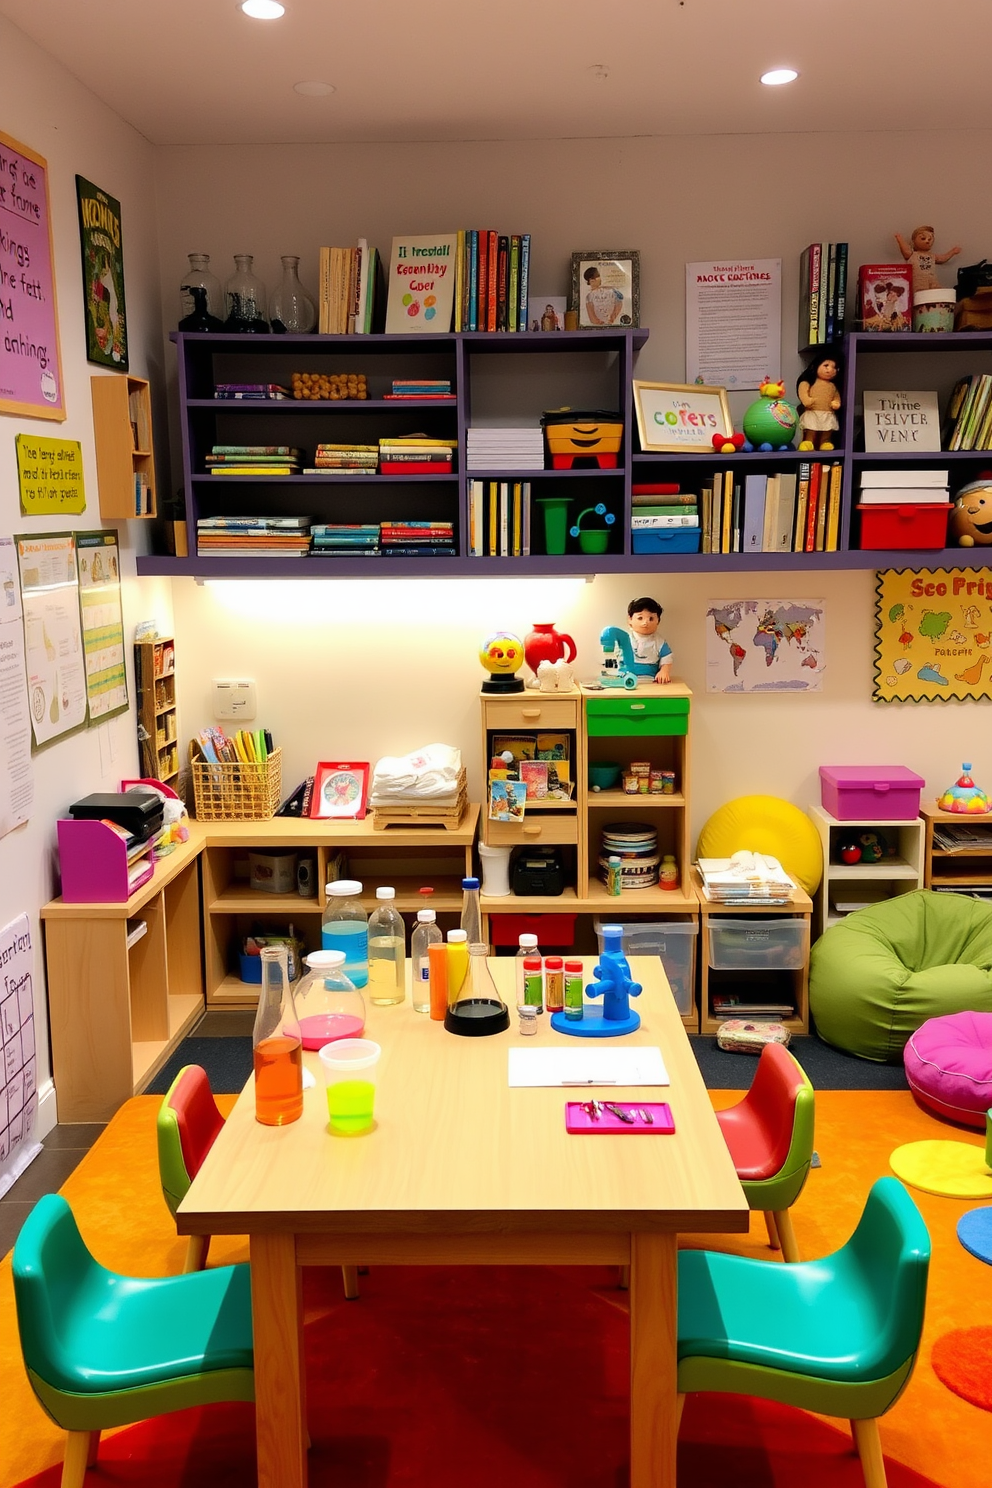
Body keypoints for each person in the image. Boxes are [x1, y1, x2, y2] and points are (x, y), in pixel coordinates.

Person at [894, 225, 961, 294]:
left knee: (937, 293)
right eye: (923, 238)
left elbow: (942, 258)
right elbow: (906, 251)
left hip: (933, 281)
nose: (927, 241)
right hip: (919, 282)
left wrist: (952, 252)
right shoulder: (913, 254)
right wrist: (900, 240)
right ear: (914, 240)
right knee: (920, 295)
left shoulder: (932, 255)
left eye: (930, 239)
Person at [796, 351, 842, 450]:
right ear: (816, 365)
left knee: (827, 429)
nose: (830, 370)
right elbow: (803, 391)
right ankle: (808, 442)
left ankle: (825, 442)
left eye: (834, 368)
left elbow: (836, 396)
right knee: (811, 428)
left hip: (827, 412)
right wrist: (806, 400)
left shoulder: (832, 386)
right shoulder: (810, 382)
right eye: (826, 365)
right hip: (812, 411)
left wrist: (836, 402)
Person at [627, 596, 672, 683]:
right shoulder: (625, 639)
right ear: (630, 619)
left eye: (651, 619)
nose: (645, 622)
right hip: (626, 679)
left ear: (658, 621)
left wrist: (664, 671)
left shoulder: (659, 641)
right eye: (640, 618)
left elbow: (667, 657)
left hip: (650, 680)